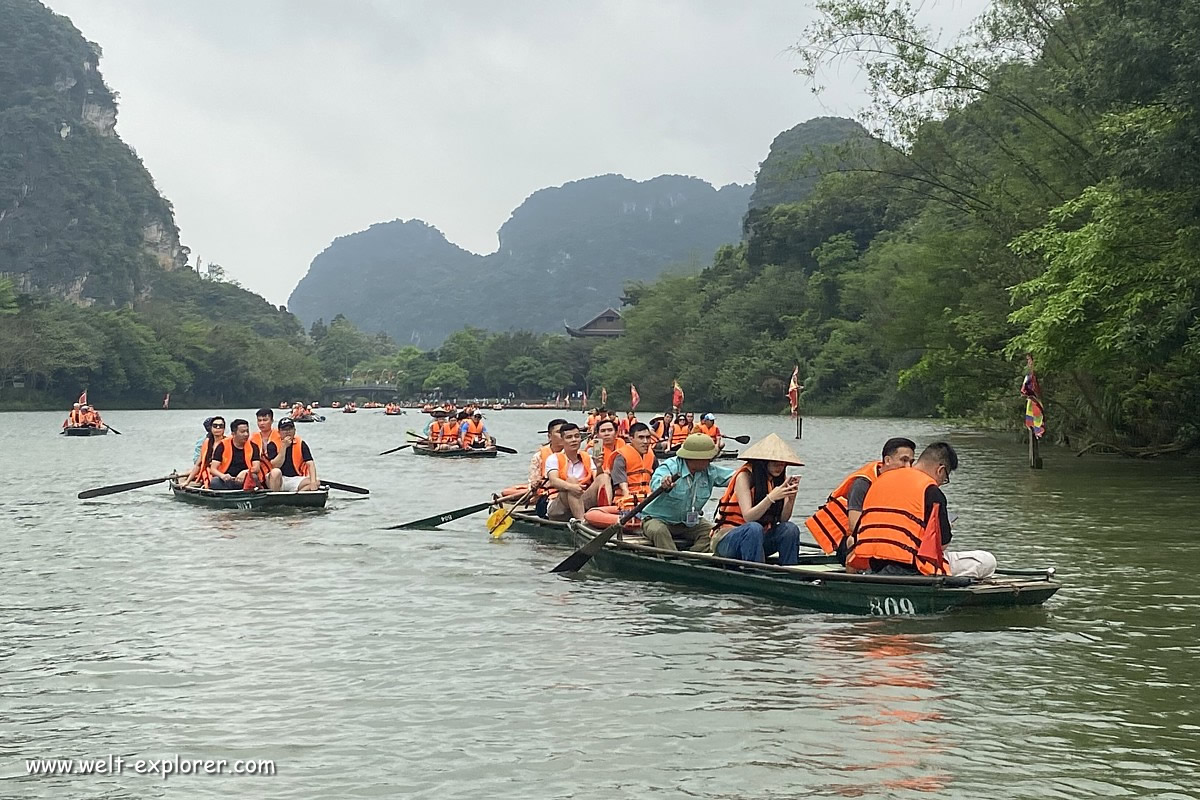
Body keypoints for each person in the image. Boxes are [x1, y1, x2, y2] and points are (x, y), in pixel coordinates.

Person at [847, 442, 996, 578]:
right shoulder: (931, 490)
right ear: (941, 470)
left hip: (875, 565)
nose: (941, 483)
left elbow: (858, 532)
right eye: (945, 479)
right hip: (913, 567)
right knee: (986, 561)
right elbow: (941, 545)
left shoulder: (879, 482)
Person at [805, 437, 916, 560]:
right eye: (904, 461)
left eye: (911, 462)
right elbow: (854, 527)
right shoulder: (863, 484)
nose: (908, 467)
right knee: (854, 540)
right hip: (853, 540)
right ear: (887, 460)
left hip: (888, 538)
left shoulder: (905, 483)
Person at [711, 434, 803, 565]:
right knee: (754, 528)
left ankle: (790, 571)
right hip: (729, 538)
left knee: (790, 529)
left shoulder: (777, 480)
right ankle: (757, 573)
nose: (779, 468)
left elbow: (783, 519)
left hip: (758, 539)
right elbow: (749, 517)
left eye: (782, 464)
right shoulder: (744, 477)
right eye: (775, 463)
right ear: (764, 462)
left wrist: (791, 498)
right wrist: (771, 498)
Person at [640, 433, 735, 552]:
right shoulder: (671, 466)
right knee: (659, 531)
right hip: (658, 519)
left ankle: (691, 559)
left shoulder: (709, 471)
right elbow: (656, 481)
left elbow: (736, 476)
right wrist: (664, 482)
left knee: (712, 532)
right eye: (708, 458)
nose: (710, 460)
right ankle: (671, 559)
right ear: (695, 458)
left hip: (688, 523)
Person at [544, 422, 612, 522]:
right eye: (569, 437)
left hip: (582, 500)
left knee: (604, 477)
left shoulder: (587, 458)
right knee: (572, 480)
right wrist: (572, 487)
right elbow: (554, 480)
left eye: (576, 436)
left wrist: (598, 466)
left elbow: (597, 479)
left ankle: (606, 516)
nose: (574, 440)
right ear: (562, 441)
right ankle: (582, 521)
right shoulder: (554, 458)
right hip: (560, 505)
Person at [264, 417, 319, 492]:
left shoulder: (301, 443)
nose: (287, 432)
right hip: (277, 479)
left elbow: (310, 463)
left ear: (294, 430)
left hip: (295, 479)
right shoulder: (272, 444)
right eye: (284, 430)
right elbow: (275, 465)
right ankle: (275, 497)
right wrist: (284, 447)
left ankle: (297, 495)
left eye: (290, 429)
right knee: (276, 471)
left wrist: (313, 482)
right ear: (279, 432)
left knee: (316, 481)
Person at [611, 421, 657, 510]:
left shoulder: (652, 455)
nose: (646, 441)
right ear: (631, 439)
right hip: (627, 499)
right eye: (641, 438)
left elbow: (657, 477)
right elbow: (623, 486)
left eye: (648, 438)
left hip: (647, 497)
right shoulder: (621, 456)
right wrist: (629, 501)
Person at [207, 418, 261, 490]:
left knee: (254, 477)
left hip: (245, 479)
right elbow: (213, 469)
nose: (246, 434)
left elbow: (256, 467)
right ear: (233, 434)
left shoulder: (253, 446)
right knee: (215, 481)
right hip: (228, 479)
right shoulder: (222, 445)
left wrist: (245, 472)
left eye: (247, 431)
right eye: (242, 432)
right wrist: (222, 476)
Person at [529, 418, 568, 516]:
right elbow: (534, 483)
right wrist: (536, 484)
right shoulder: (539, 456)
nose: (563, 436)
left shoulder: (575, 454)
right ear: (550, 436)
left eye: (565, 432)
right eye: (559, 432)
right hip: (549, 496)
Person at [184, 416, 224, 486]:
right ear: (211, 428)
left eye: (220, 426)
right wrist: (187, 482)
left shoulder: (229, 442)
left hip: (224, 473)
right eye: (215, 426)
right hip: (209, 474)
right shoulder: (206, 443)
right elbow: (198, 465)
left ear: (224, 428)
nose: (218, 428)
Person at [251, 408, 282, 483]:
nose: (262, 423)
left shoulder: (280, 436)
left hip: (276, 471)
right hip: (258, 472)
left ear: (271, 421)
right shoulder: (252, 438)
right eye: (259, 420)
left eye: (265, 420)